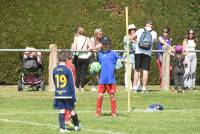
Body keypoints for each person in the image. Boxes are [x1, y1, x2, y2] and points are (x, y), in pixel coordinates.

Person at [53, 51, 80, 133]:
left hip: (58, 94)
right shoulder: (68, 70)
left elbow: (54, 81)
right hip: (67, 94)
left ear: (58, 59)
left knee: (61, 110)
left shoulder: (54, 70)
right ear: (66, 59)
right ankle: (76, 126)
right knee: (72, 110)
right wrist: (74, 98)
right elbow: (72, 85)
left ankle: (62, 128)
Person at [96, 36, 121, 117]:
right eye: (103, 44)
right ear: (101, 44)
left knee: (112, 96)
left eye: (107, 44)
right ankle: (98, 112)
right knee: (100, 95)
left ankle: (114, 112)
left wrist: (123, 61)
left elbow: (120, 60)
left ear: (110, 44)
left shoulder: (113, 54)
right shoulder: (99, 54)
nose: (105, 45)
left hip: (111, 79)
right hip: (102, 79)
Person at [132, 20, 157, 92]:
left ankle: (134, 87)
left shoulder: (140, 30)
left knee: (137, 70)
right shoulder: (154, 33)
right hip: (147, 53)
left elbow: (131, 38)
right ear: (152, 25)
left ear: (145, 24)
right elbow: (154, 41)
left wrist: (137, 42)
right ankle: (144, 87)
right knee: (145, 70)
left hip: (138, 52)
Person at [71, 26, 94, 91]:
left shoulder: (76, 38)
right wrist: (88, 50)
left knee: (78, 72)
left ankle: (77, 87)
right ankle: (82, 87)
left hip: (78, 57)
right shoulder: (87, 38)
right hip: (86, 57)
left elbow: (74, 48)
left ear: (78, 32)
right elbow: (92, 48)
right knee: (84, 73)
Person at [123, 24, 140, 89]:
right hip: (127, 57)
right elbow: (129, 41)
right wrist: (136, 41)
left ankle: (136, 86)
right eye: (132, 30)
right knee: (128, 72)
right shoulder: (126, 37)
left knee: (137, 71)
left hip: (136, 56)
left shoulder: (137, 38)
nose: (133, 31)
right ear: (129, 30)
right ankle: (128, 87)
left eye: (134, 30)